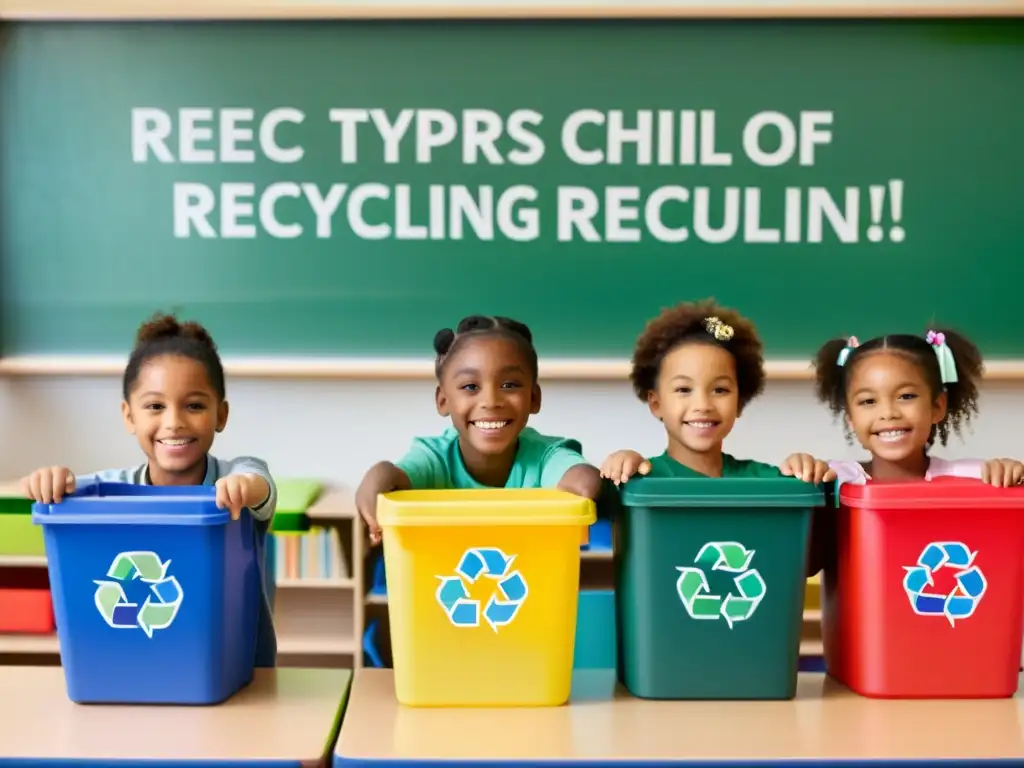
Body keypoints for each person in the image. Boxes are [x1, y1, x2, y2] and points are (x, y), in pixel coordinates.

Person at [19, 313, 279, 666]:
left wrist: (242, 488)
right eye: (155, 406)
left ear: (221, 414)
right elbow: (65, 492)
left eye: (195, 405)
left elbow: (258, 484)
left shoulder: (236, 476)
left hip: (240, 674)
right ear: (129, 416)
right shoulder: (114, 489)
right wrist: (48, 481)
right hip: (137, 670)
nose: (173, 422)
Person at [356, 315, 603, 544]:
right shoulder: (434, 456)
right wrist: (379, 475)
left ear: (534, 398)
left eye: (509, 384)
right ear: (443, 401)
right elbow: (392, 478)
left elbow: (583, 482)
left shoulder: (546, 455)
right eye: (471, 386)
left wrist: (588, 481)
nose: (491, 401)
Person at [601, 299, 835, 483]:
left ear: (740, 401)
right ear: (656, 404)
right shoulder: (638, 478)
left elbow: (810, 503)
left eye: (720, 390)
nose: (702, 404)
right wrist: (616, 470)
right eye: (683, 389)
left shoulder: (766, 479)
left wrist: (806, 472)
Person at [813, 329, 1024, 486]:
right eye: (868, 401)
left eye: (906, 396)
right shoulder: (833, 477)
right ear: (850, 416)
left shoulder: (977, 477)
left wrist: (1013, 476)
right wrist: (800, 470)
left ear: (937, 407)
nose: (888, 413)